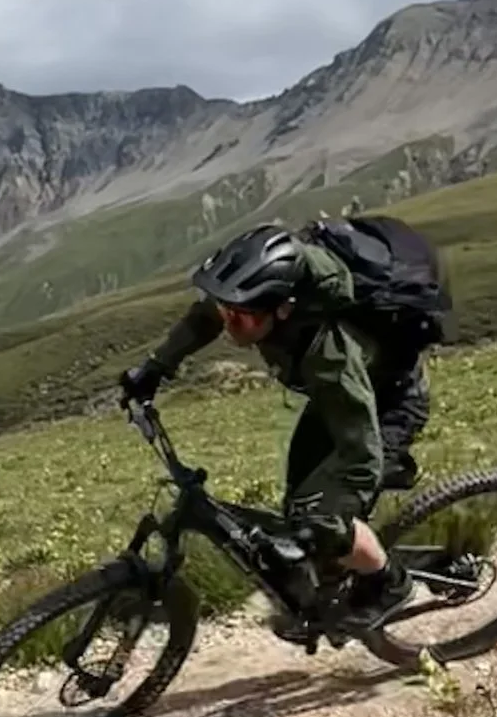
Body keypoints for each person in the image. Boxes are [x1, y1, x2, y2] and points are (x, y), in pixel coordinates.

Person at [119, 219, 433, 626]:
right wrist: (157, 366)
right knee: (298, 505)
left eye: (244, 319)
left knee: (319, 518)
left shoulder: (330, 354)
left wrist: (328, 517)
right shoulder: (259, 303)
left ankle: (389, 583)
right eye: (228, 312)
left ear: (284, 308)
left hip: (385, 404)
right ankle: (329, 584)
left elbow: (361, 452)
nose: (232, 326)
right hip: (334, 401)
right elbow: (207, 317)